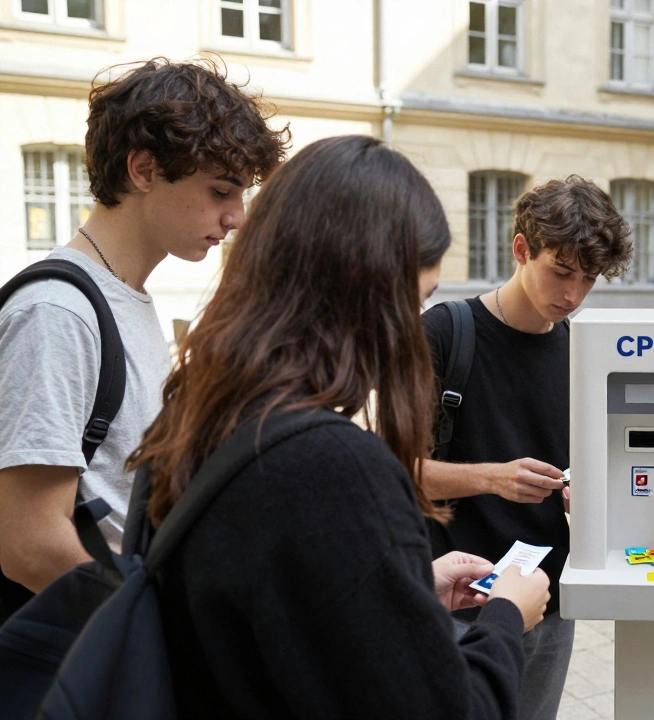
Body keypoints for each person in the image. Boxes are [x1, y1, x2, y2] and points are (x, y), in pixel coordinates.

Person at [125, 135, 550, 717]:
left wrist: (406, 589)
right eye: (413, 300)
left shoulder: (198, 410)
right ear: (362, 292)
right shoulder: (336, 463)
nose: (411, 329)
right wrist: (504, 616)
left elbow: (272, 609)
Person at [0, 58, 287, 620]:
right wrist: (167, 632)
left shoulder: (122, 298)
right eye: (221, 190)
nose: (236, 217)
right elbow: (29, 546)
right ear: (142, 169)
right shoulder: (57, 312)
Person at [418, 176, 632, 720]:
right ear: (521, 249)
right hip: (456, 594)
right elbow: (392, 469)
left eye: (589, 280)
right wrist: (491, 478)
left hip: (547, 602)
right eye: (561, 272)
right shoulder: (444, 332)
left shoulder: (584, 352)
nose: (574, 294)